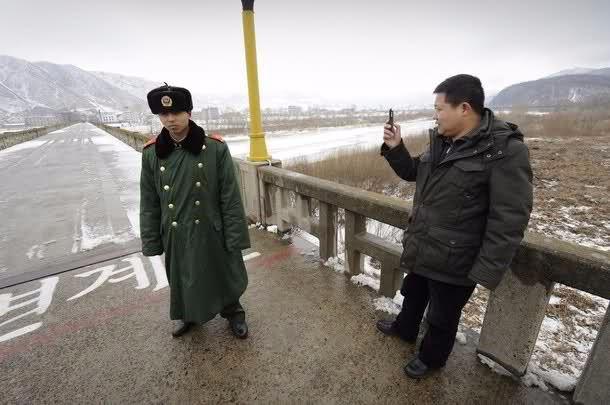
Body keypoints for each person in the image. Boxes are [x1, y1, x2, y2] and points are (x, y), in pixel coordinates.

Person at [376, 74, 533, 378]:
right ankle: (405, 328)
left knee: (443, 316)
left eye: (439, 108)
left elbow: (511, 217)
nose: (435, 115)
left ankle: (432, 358)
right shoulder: (442, 142)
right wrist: (395, 147)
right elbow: (413, 172)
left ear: (464, 108)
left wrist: (486, 269)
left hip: (457, 257)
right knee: (414, 292)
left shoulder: (504, 150)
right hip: (424, 243)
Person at [140, 83, 251, 338]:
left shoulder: (214, 148)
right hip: (176, 232)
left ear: (188, 113)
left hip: (211, 228)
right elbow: (149, 202)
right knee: (183, 277)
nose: (170, 119)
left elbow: (230, 197)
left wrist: (235, 236)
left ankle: (233, 312)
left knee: (224, 273)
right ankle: (187, 314)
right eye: (163, 114)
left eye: (176, 113)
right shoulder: (151, 154)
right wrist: (151, 240)